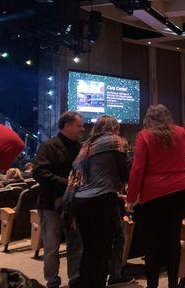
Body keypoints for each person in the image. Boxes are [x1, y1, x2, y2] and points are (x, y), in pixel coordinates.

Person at [126, 104, 185, 288]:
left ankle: (152, 284)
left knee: (152, 242)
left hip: (154, 196)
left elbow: (137, 169)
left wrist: (131, 197)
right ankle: (172, 283)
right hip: (181, 191)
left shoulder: (144, 135)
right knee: (173, 239)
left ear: (148, 119)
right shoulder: (180, 131)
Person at [68, 115, 128, 288]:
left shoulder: (86, 145)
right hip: (102, 200)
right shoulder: (115, 141)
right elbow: (123, 173)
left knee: (88, 248)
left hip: (80, 201)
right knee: (103, 250)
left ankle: (85, 283)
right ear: (114, 128)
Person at [33, 111, 84, 288]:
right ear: (67, 125)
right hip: (50, 204)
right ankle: (52, 281)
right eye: (79, 125)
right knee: (52, 247)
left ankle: (76, 279)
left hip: (73, 203)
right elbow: (39, 172)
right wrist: (67, 183)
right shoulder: (48, 146)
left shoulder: (79, 147)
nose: (82, 129)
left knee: (75, 244)